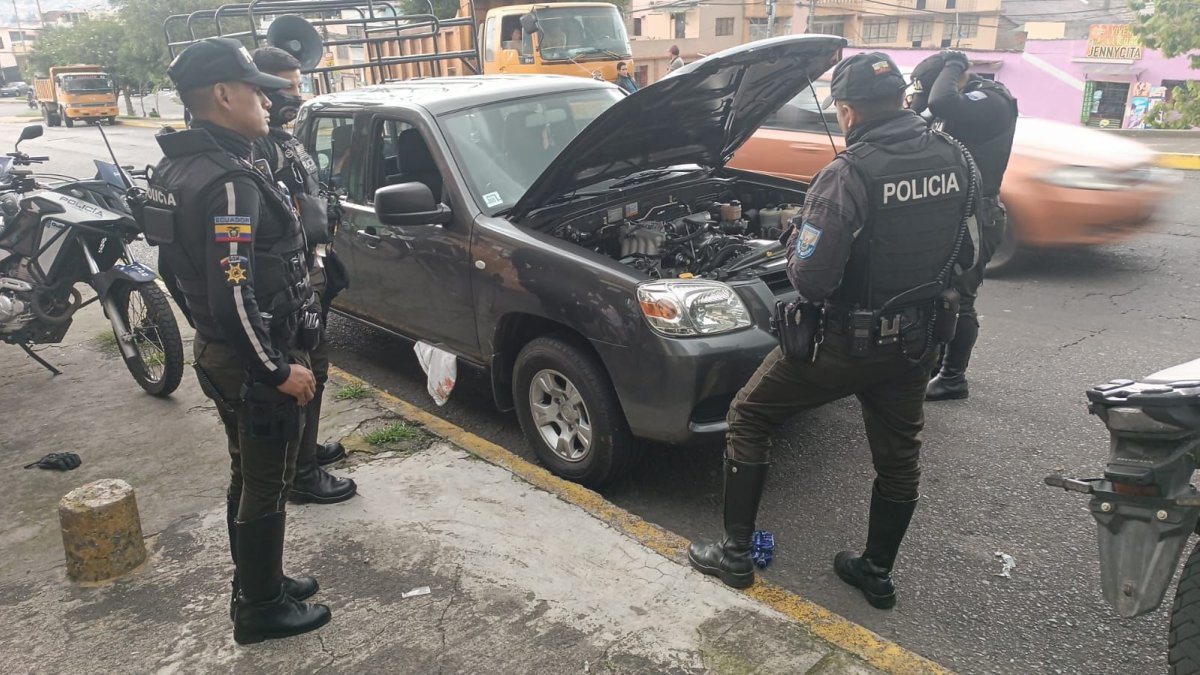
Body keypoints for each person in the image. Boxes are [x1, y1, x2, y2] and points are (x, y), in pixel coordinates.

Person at [687, 53, 978, 610]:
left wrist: (796, 242)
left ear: (846, 111)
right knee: (899, 459)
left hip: (843, 344)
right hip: (916, 343)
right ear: (903, 99)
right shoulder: (958, 157)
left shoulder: (849, 173)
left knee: (748, 415)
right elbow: (971, 255)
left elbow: (814, 282)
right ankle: (875, 573)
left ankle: (736, 555)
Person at [144, 37, 331, 644]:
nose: (267, 103)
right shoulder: (228, 181)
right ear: (224, 96)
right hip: (252, 357)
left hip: (223, 351)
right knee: (267, 481)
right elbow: (233, 290)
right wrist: (276, 369)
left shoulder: (179, 165)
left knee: (248, 474)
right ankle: (260, 606)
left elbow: (176, 273)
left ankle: (261, 581)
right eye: (255, 91)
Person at [251, 46, 357, 506]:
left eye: (298, 84)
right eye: (283, 87)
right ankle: (301, 475)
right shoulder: (255, 144)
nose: (294, 95)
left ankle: (305, 451)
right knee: (303, 368)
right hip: (286, 280)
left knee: (317, 365)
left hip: (311, 266)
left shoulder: (283, 137)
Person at [910, 50, 1018, 401]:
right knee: (936, 295)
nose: (931, 98)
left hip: (978, 216)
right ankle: (933, 364)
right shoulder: (952, 105)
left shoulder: (990, 101)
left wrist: (954, 62)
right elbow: (917, 116)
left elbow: (942, 101)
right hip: (951, 215)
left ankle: (953, 378)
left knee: (960, 298)